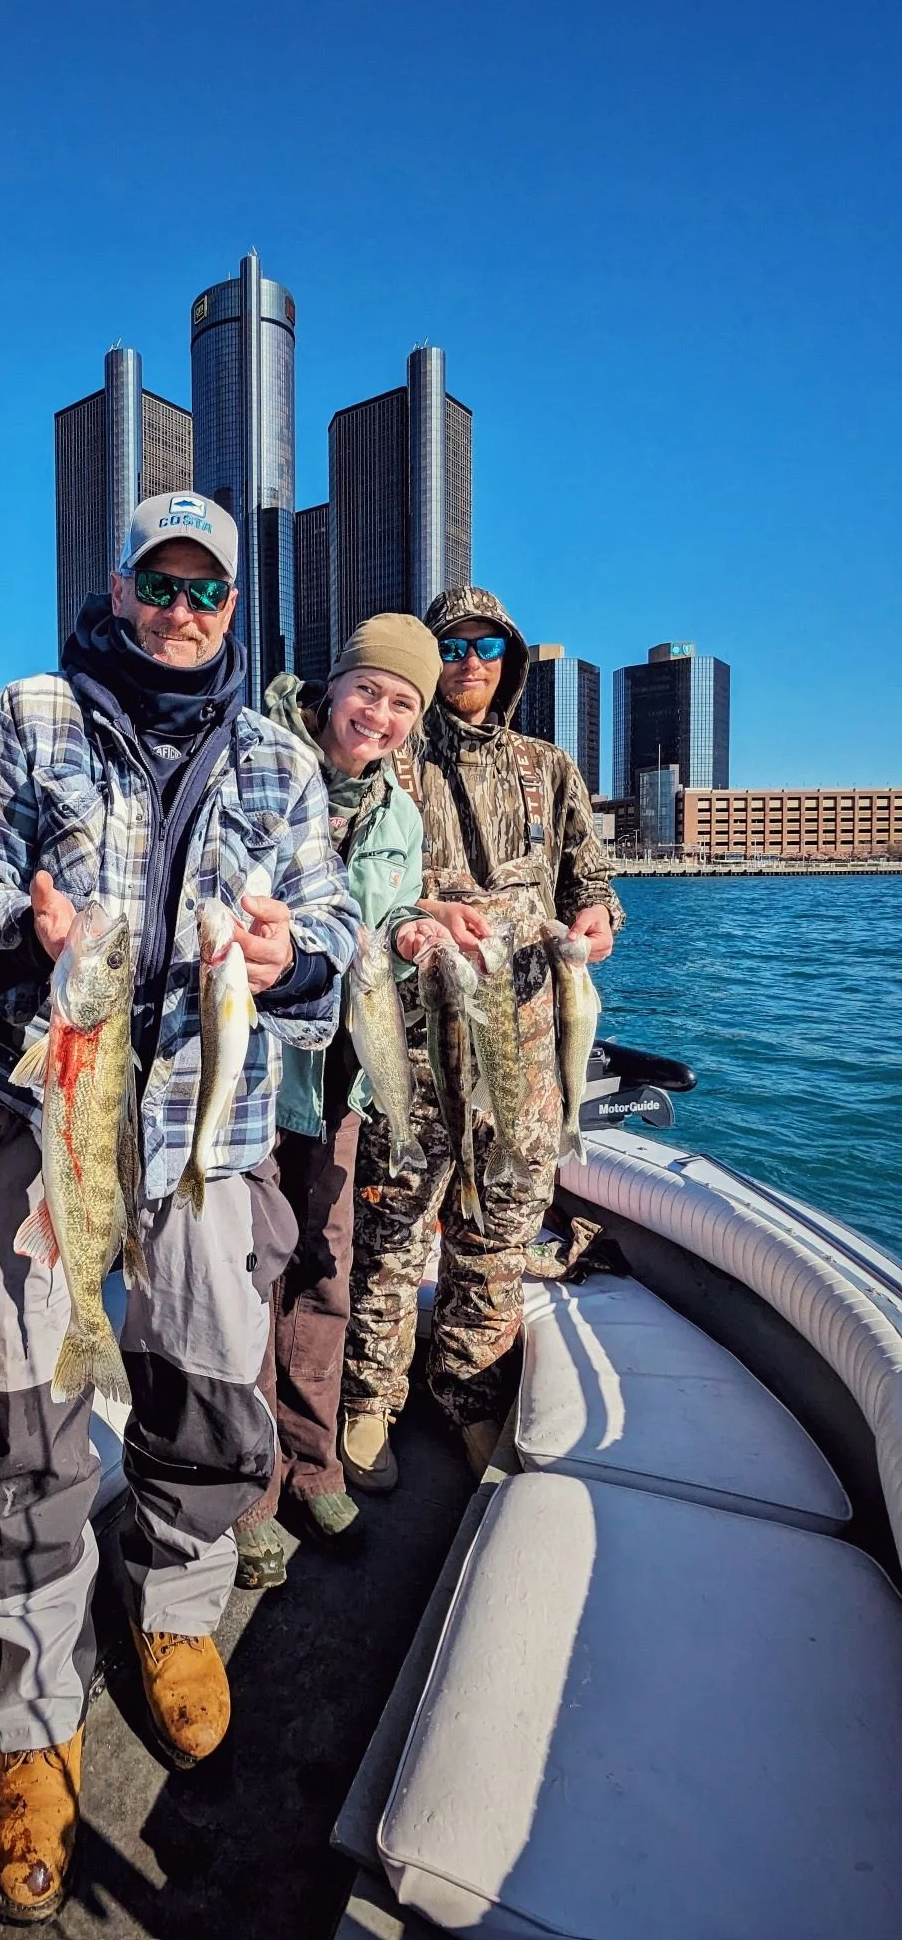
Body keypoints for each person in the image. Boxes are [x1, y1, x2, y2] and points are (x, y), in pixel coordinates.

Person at [0, 491, 357, 1922]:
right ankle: (32, 1720)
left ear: (235, 610)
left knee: (218, 1389)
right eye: (159, 587)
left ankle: (174, 1607)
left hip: (212, 1137)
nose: (182, 613)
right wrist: (17, 930)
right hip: (47, 1129)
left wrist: (293, 957)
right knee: (29, 1421)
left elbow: (337, 945)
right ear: (118, 589)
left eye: (207, 594)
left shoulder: (282, 761)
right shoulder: (31, 712)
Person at [340, 585, 623, 1488]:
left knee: (500, 1224)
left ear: (510, 661)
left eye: (486, 647)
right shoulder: (395, 753)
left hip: (530, 1035)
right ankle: (368, 1397)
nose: (469, 661)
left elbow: (592, 875)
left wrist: (596, 915)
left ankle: (469, 1388)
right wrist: (424, 915)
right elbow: (356, 862)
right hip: (418, 1035)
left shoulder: (551, 766)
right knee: (391, 1222)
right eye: (451, 646)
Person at [234, 614, 447, 1588]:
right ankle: (245, 1497)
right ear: (334, 686)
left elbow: (382, 917)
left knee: (325, 1270)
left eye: (404, 703)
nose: (383, 714)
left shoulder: (402, 816)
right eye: (371, 690)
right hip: (243, 1074)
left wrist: (410, 932)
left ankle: (312, 1464)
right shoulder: (254, 762)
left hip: (338, 1084)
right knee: (242, 1282)